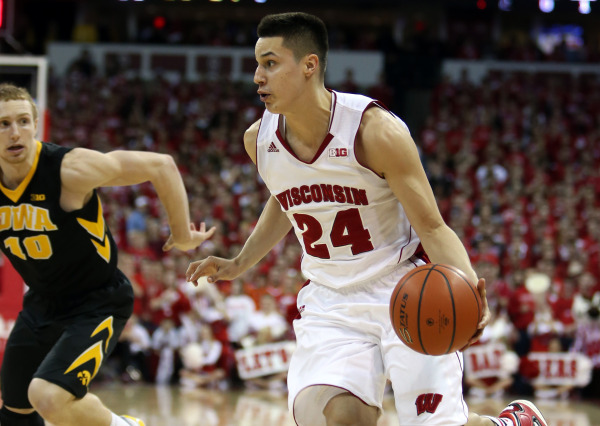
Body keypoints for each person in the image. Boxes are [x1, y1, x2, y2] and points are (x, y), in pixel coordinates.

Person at [186, 12, 548, 426]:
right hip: (330, 301)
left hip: (403, 288)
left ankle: (510, 423)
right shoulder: (259, 140)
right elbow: (284, 199)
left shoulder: (374, 132)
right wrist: (238, 263)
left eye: (270, 63)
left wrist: (469, 286)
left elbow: (432, 226)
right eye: (256, 64)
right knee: (334, 420)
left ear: (309, 65)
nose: (257, 77)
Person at [0, 83, 215, 426]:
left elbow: (161, 165)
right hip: (42, 302)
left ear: (36, 124)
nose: (15, 133)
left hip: (96, 300)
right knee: (13, 410)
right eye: (4, 124)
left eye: (23, 121)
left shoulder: (69, 169)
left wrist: (181, 233)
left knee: (46, 395)